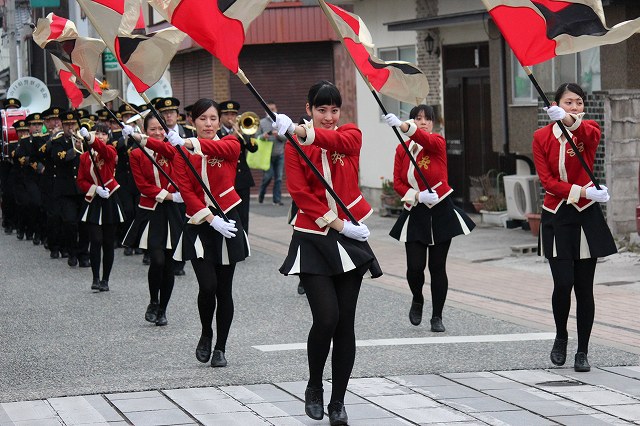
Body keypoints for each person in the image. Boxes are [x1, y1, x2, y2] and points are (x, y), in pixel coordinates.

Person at [275, 81, 382, 426]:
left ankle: (338, 401)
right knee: (326, 318)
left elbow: (341, 142)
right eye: (321, 110)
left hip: (350, 239)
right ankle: (314, 385)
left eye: (334, 109)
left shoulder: (348, 133)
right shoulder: (294, 145)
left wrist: (300, 131)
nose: (329, 116)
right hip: (313, 236)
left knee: (345, 324)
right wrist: (337, 224)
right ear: (309, 109)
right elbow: (299, 191)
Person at [533, 83, 617, 372]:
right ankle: (561, 336)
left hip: (585, 216)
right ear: (555, 105)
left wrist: (568, 120)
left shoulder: (588, 129)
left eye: (578, 102)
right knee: (563, 283)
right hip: (557, 215)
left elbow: (585, 132)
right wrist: (582, 192)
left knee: (584, 287)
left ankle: (583, 350)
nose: (574, 107)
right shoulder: (541, 136)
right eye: (568, 102)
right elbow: (548, 182)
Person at [168, 98, 249, 368]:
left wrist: (189, 143)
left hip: (228, 220)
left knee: (224, 289)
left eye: (213, 118)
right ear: (192, 121)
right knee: (208, 286)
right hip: (200, 223)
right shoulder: (181, 152)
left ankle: (221, 347)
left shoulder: (231, 143)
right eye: (202, 119)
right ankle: (206, 332)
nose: (209, 123)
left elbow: (223, 148)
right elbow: (187, 192)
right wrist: (210, 219)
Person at [383, 106, 476, 332]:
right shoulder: (402, 149)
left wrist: (405, 126)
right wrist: (416, 195)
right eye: (417, 118)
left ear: (433, 123)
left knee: (437, 267)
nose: (422, 122)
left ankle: (437, 315)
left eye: (427, 119)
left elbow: (424, 139)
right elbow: (397, 183)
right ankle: (417, 298)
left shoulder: (437, 143)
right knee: (414, 267)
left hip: (441, 209)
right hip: (415, 210)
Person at [122, 114, 184, 326]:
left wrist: (177, 193)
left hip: (173, 212)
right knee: (157, 260)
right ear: (144, 130)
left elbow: (180, 174)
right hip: (151, 210)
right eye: (152, 129)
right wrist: (167, 195)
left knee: (170, 265)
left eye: (161, 129)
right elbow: (142, 185)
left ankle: (163, 309)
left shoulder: (174, 149)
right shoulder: (137, 154)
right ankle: (153, 300)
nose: (157, 133)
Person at [77, 123, 124, 292]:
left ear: (108, 137)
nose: (101, 136)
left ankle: (105, 279)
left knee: (108, 242)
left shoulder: (110, 150)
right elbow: (81, 180)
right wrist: (94, 188)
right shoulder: (84, 157)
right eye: (98, 133)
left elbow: (103, 151)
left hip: (110, 198)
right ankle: (95, 277)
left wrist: (91, 139)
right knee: (95, 240)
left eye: (104, 134)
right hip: (94, 199)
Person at [217, 100, 258, 233]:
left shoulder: (242, 132)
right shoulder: (217, 133)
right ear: (221, 117)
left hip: (242, 179)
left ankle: (244, 240)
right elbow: (222, 151)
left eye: (233, 115)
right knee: (229, 213)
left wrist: (247, 134)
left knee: (243, 214)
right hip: (226, 180)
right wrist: (233, 136)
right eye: (227, 114)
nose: (230, 118)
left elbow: (253, 148)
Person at [257, 101, 287, 205]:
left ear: (276, 110)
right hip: (267, 155)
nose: (271, 111)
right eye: (269, 109)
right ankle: (261, 194)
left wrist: (278, 135)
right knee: (268, 176)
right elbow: (257, 137)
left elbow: (286, 138)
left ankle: (277, 200)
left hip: (279, 154)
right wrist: (263, 136)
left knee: (278, 178)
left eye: (273, 109)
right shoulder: (261, 122)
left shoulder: (280, 123)